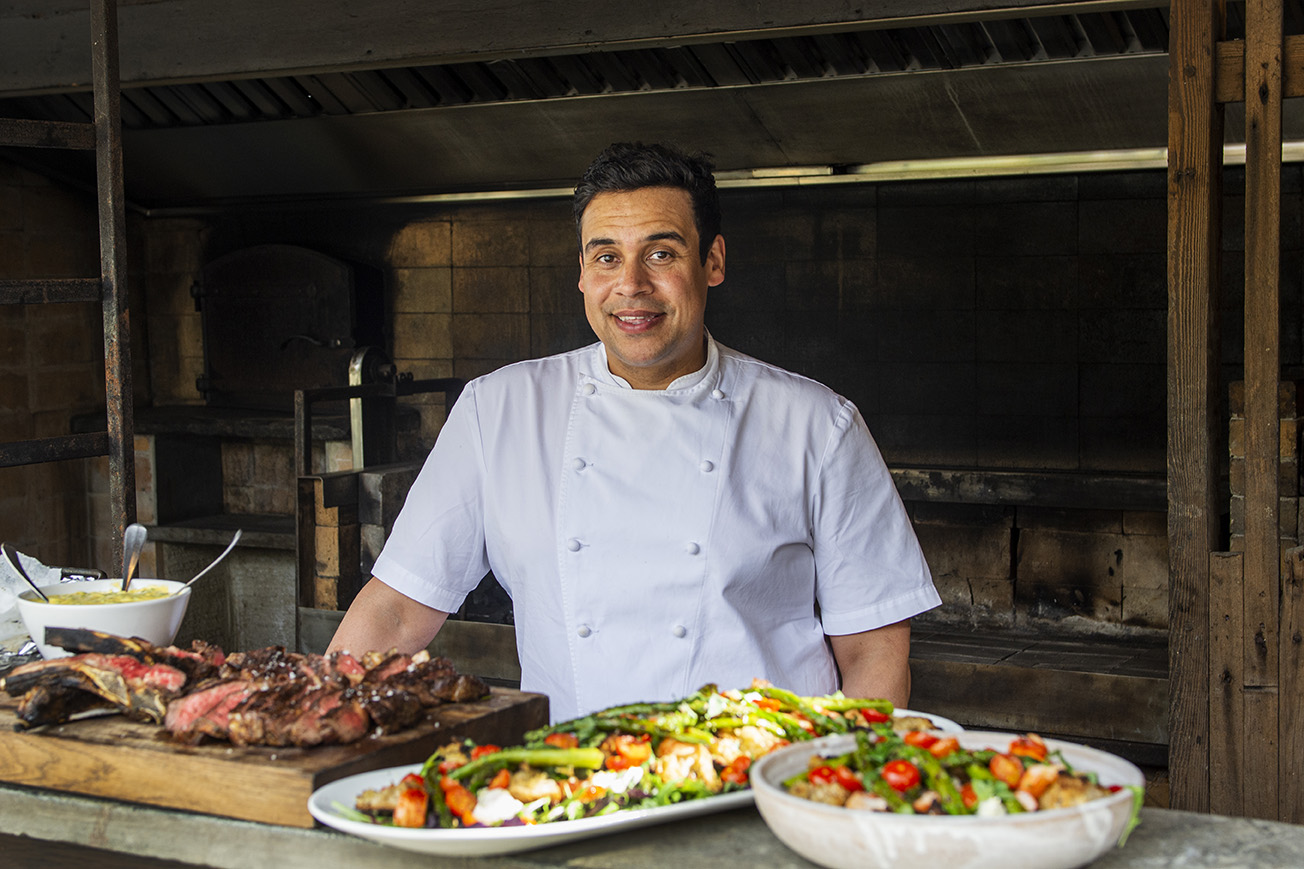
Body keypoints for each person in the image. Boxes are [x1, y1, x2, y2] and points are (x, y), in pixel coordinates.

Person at [328, 142, 940, 721]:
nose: (631, 286)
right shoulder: (500, 409)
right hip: (578, 782)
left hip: (762, 782)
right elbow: (398, 609)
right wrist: (320, 725)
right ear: (583, 273)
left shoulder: (817, 424)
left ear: (714, 262)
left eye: (661, 253)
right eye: (607, 257)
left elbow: (873, 649)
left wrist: (841, 800)